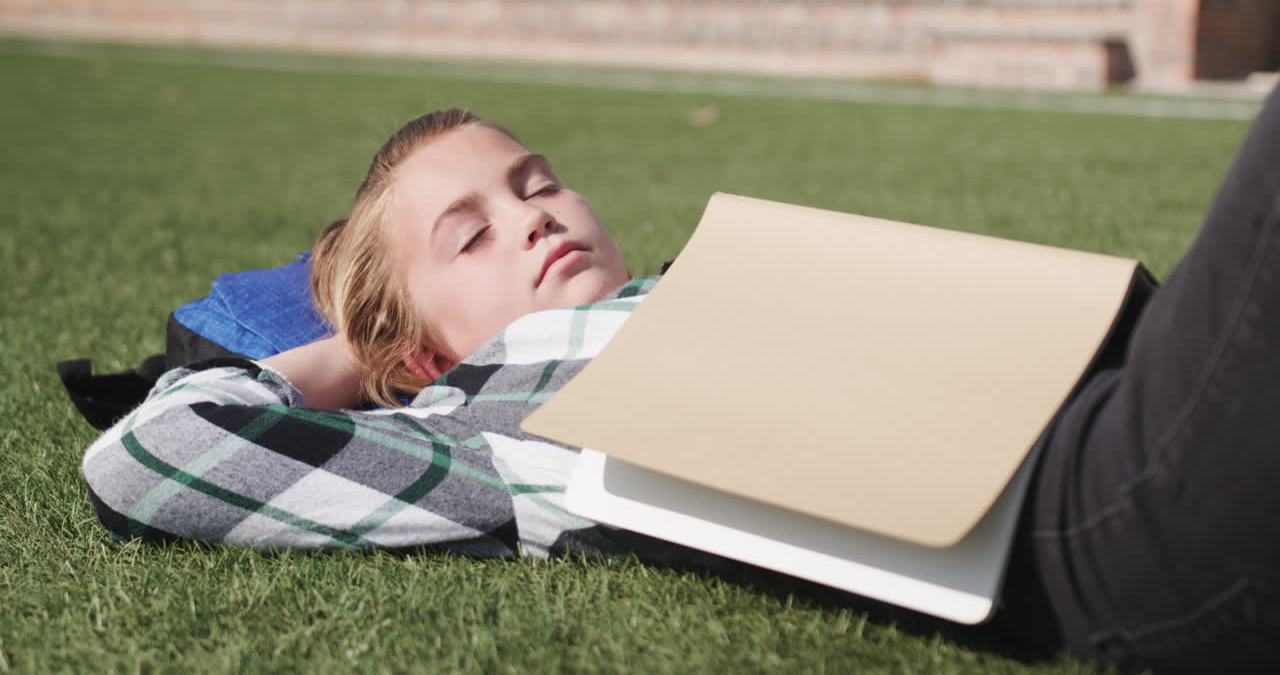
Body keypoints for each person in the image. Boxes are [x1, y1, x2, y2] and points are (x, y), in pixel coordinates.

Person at [81, 92, 1280, 672]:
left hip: (1139, 383)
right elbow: (146, 456)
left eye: (533, 183)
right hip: (1106, 517)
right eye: (469, 236)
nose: (530, 217)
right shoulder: (473, 427)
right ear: (423, 356)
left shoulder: (704, 283)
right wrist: (364, 360)